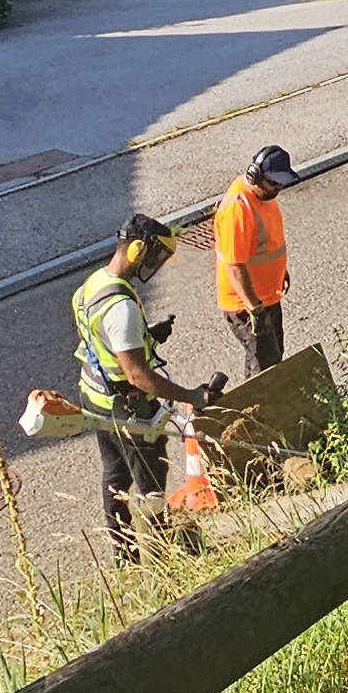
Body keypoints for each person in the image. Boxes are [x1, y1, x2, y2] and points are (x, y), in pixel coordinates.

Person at [73, 209, 219, 560]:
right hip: (128, 409)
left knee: (114, 477)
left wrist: (147, 336)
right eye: (155, 256)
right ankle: (162, 554)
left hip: (96, 399)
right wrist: (192, 396)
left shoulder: (92, 285)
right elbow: (138, 375)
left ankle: (125, 556)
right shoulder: (121, 307)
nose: (156, 265)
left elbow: (101, 340)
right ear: (138, 250)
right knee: (151, 483)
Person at [213, 143, 296, 374]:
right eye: (273, 183)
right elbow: (234, 267)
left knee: (270, 357)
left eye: (281, 183)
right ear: (255, 175)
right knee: (266, 369)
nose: (278, 188)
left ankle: (258, 407)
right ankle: (260, 409)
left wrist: (280, 272)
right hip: (247, 306)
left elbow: (266, 244)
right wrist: (255, 309)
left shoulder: (264, 196)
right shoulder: (237, 209)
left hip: (267, 297)